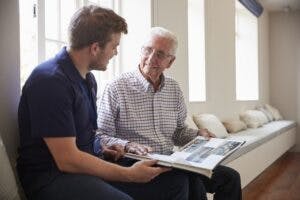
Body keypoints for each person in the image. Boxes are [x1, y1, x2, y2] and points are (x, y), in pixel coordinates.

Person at [17, 6, 190, 200]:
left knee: (175, 184)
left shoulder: (88, 80)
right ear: (95, 48)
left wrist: (103, 148)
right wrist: (130, 174)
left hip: (85, 167)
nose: (116, 52)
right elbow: (67, 160)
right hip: (52, 177)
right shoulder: (49, 80)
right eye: (114, 46)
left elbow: (89, 134)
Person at [97, 26, 242, 200]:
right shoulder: (116, 87)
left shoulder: (174, 89)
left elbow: (179, 132)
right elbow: (101, 136)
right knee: (188, 182)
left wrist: (199, 134)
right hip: (134, 163)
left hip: (172, 160)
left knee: (230, 178)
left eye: (159, 54)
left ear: (170, 62)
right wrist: (128, 144)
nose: (151, 58)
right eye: (148, 50)